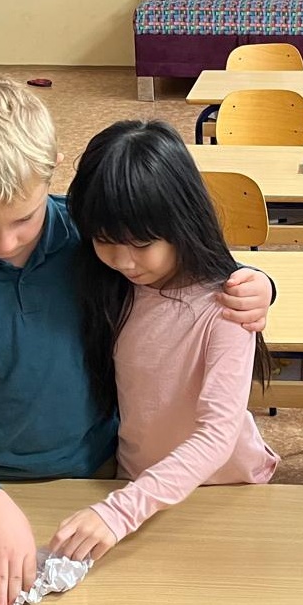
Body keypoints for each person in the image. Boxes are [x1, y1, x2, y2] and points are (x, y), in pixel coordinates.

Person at [0, 79, 274, 605]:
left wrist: (258, 282)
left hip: (102, 474)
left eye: (23, 218)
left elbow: (179, 262)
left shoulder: (89, 233)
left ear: (53, 170)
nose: (5, 242)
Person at [48, 121, 279, 560]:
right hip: (140, 487)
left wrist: (120, 512)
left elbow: (218, 433)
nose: (123, 261)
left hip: (224, 492)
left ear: (182, 222)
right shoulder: (112, 285)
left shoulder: (226, 305)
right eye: (104, 241)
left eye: (141, 243)